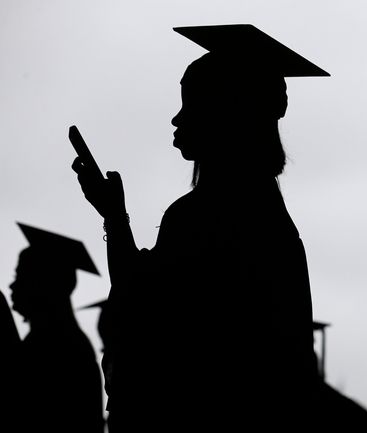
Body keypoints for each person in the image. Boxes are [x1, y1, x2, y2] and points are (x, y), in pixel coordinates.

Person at [71, 24, 328, 432]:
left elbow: (144, 319)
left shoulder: (209, 217)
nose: (177, 118)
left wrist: (115, 220)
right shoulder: (263, 216)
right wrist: (113, 216)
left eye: (191, 104)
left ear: (227, 113)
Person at [5, 223, 104, 433]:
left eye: (21, 276)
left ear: (46, 284)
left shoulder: (57, 349)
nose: (12, 286)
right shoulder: (66, 343)